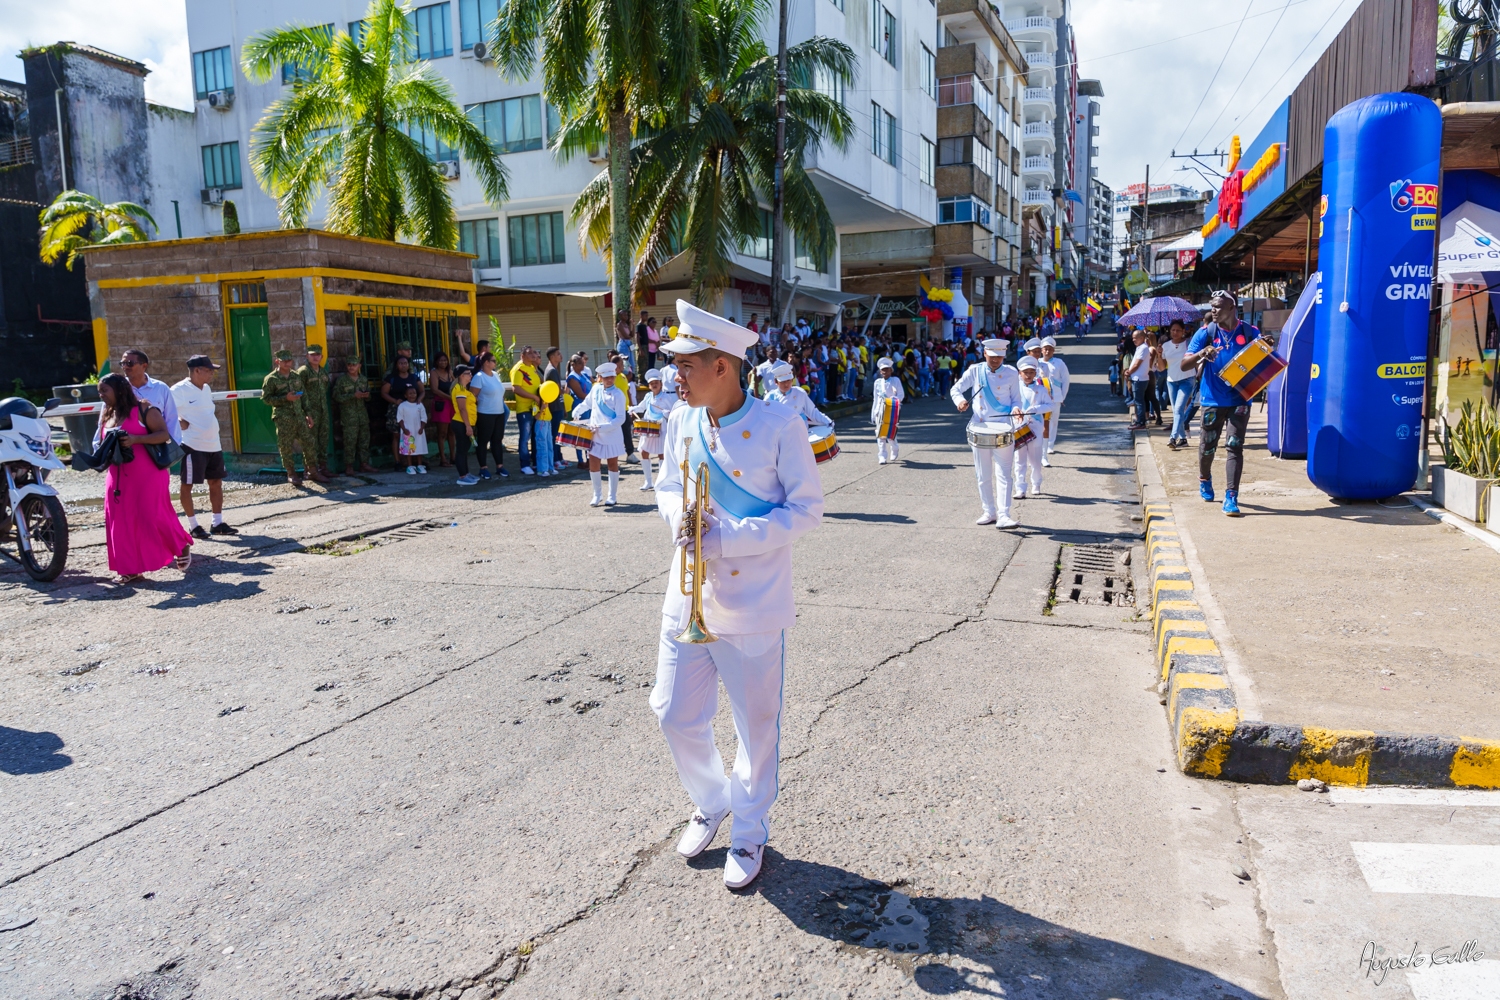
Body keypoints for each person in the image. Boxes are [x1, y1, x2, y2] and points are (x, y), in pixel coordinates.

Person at [651, 300, 824, 890]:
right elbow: (667, 483)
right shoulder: (681, 420)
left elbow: (806, 511)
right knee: (672, 711)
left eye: (685, 364)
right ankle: (712, 799)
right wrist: (680, 514)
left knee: (756, 724)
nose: (674, 375)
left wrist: (728, 537)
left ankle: (749, 831)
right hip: (687, 591)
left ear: (722, 365)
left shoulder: (781, 426)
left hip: (753, 601)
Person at [96, 373, 193, 584]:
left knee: (152, 514)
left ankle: (180, 544)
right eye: (99, 391)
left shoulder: (144, 409)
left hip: (147, 473)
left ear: (119, 390)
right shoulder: (108, 413)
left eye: (104, 390)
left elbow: (163, 434)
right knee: (120, 520)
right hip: (118, 475)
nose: (101, 395)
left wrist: (136, 439)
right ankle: (130, 569)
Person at [1184, 290, 1266, 517]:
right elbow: (1184, 365)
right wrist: (1202, 352)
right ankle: (1204, 478)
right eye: (1212, 306)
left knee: (1234, 446)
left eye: (1218, 306)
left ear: (1232, 307)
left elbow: (1264, 363)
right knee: (1207, 446)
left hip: (1240, 399)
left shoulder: (1251, 332)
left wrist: (1266, 348)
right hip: (1212, 400)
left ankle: (1231, 496)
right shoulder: (1206, 333)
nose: (1214, 310)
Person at [951, 337, 1022, 528]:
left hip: (1003, 427)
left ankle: (1004, 514)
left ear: (1004, 355)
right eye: (992, 357)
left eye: (999, 357)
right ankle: (988, 511)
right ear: (984, 354)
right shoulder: (975, 370)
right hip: (980, 427)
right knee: (983, 474)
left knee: (1004, 473)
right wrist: (960, 402)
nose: (996, 360)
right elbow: (956, 389)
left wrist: (1016, 410)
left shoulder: (1012, 373)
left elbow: (1016, 399)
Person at [170, 355, 236, 540]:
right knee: (188, 485)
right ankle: (193, 525)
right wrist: (178, 421)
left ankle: (217, 523)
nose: (211, 374)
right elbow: (162, 410)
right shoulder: (179, 390)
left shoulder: (206, 389)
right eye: (208, 370)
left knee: (216, 482)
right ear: (197, 370)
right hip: (193, 445)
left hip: (213, 444)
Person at [262, 350, 330, 485]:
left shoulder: (296, 376)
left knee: (309, 442)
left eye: (289, 360)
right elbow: (266, 399)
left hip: (299, 416)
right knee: (286, 446)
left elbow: (303, 396)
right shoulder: (271, 379)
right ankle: (291, 473)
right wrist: (285, 398)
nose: (287, 363)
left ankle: (312, 471)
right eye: (284, 361)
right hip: (283, 418)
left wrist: (308, 414)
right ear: (277, 361)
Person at [573, 360, 627, 505]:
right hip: (595, 434)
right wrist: (578, 410)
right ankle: (597, 495)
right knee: (594, 463)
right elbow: (587, 403)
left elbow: (621, 418)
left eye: (612, 377)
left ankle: (612, 496)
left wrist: (603, 427)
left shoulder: (618, 394)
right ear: (600, 378)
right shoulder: (596, 389)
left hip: (611, 434)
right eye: (606, 377)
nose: (609, 380)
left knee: (612, 464)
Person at [100, 349, 180, 448]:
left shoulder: (160, 388)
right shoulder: (118, 389)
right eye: (122, 363)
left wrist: (173, 449)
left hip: (158, 450)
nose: (125, 367)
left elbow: (171, 419)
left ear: (144, 365)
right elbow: (104, 420)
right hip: (125, 450)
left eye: (129, 363)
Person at [629, 368, 678, 491]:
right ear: (649, 386)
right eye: (651, 383)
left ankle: (661, 481)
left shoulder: (667, 397)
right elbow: (641, 407)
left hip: (661, 429)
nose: (654, 385)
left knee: (662, 454)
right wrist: (633, 409)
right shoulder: (648, 396)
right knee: (644, 452)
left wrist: (667, 414)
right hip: (648, 428)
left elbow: (674, 412)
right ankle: (648, 481)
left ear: (661, 384)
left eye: (656, 382)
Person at [1012, 357, 1053, 499]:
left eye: (1031, 372)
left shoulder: (1041, 389)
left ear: (1035, 373)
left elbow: (1050, 405)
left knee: (1035, 458)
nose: (1028, 375)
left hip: (1035, 426)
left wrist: (1036, 409)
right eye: (1025, 372)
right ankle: (1020, 487)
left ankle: (1036, 483)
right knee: (1019, 458)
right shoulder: (1014, 388)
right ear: (1019, 373)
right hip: (1019, 427)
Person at [332, 357, 377, 474]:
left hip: (362, 416)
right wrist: (353, 396)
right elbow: (336, 397)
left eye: (354, 364)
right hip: (349, 417)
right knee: (349, 442)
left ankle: (364, 464)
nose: (351, 367)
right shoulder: (342, 380)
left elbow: (369, 398)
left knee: (364, 441)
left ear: (359, 366)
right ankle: (349, 466)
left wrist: (366, 396)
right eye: (349, 365)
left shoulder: (363, 379)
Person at [471, 351, 510, 480]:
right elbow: (473, 397)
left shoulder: (496, 374)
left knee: (497, 441)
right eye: (493, 360)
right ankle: (483, 468)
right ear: (486, 362)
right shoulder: (479, 377)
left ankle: (500, 467)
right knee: (483, 441)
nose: (495, 363)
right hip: (485, 414)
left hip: (499, 412)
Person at [295, 344, 333, 479]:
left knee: (323, 440)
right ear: (307, 356)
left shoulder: (323, 372)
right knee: (310, 441)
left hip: (323, 411)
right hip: (310, 411)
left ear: (322, 357)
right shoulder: (303, 372)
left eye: (318, 355)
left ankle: (323, 468)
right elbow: (299, 393)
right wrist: (305, 412)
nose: (315, 357)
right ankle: (310, 470)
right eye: (312, 354)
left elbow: (325, 388)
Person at [381, 353, 424, 462]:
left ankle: (413, 460)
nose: (403, 365)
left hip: (413, 411)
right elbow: (384, 393)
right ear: (396, 366)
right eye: (400, 363)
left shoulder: (414, 377)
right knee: (397, 436)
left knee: (412, 434)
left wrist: (419, 398)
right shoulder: (392, 378)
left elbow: (422, 391)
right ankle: (398, 462)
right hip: (396, 409)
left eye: (405, 363)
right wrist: (395, 401)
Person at [1160, 320, 1194, 449]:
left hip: (1187, 379)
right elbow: (1161, 367)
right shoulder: (1165, 345)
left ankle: (1173, 438)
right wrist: (1159, 354)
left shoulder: (1189, 344)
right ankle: (1183, 439)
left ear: (1183, 331)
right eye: (1173, 330)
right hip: (1171, 380)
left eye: (1178, 330)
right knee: (1176, 411)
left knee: (1179, 408)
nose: (1175, 332)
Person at [766, 362, 832, 429]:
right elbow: (766, 418)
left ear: (792, 379)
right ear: (776, 382)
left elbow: (812, 411)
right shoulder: (770, 397)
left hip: (800, 431)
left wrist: (827, 421)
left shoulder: (799, 392)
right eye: (782, 382)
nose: (786, 384)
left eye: (788, 380)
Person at [510, 345, 544, 475]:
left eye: (534, 353)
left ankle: (535, 462)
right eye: (530, 354)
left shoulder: (531, 368)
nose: (533, 355)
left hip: (535, 408)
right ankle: (524, 464)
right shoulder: (518, 369)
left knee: (535, 436)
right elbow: (516, 388)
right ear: (522, 355)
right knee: (525, 437)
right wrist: (533, 396)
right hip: (524, 408)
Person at [1039, 336, 1070, 461]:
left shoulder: (1059, 363)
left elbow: (1066, 380)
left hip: (1055, 397)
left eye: (1050, 349)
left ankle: (1050, 445)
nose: (1047, 351)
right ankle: (1040, 445)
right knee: (1040, 422)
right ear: (1041, 350)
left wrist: (1062, 396)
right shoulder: (1037, 362)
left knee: (1053, 422)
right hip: (1040, 398)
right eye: (1045, 349)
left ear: (1053, 350)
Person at [871, 357, 904, 465]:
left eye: (887, 369)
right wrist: (874, 412)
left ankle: (894, 448)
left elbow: (900, 394)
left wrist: (894, 401)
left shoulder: (896, 380)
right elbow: (875, 398)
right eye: (883, 370)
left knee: (891, 432)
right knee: (880, 433)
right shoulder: (877, 382)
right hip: (880, 410)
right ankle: (882, 455)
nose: (885, 372)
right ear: (880, 371)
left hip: (892, 410)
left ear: (891, 370)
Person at [451, 364, 479, 485]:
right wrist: (468, 426)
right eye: (468, 373)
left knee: (464, 450)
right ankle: (462, 476)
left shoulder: (463, 389)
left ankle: (466, 473)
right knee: (461, 450)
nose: (471, 375)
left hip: (465, 423)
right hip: (461, 423)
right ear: (462, 375)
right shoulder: (460, 389)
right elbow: (462, 409)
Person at [564, 354, 593, 467]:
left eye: (583, 362)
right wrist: (593, 399)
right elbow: (580, 394)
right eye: (580, 363)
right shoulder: (572, 378)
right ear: (573, 365)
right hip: (580, 406)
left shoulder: (585, 374)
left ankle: (589, 458)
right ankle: (581, 460)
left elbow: (594, 383)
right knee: (580, 433)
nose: (583, 365)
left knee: (589, 432)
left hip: (589, 405)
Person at [428, 351, 456, 467]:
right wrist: (450, 397)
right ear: (436, 362)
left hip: (452, 404)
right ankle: (443, 459)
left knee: (452, 431)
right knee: (442, 432)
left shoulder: (450, 372)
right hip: (441, 404)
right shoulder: (434, 373)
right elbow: (434, 389)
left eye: (445, 360)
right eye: (440, 360)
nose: (443, 362)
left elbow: (455, 385)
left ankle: (453, 457)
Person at [395, 383, 428, 474]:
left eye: (414, 393)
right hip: (408, 431)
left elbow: (424, 417)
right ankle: (410, 466)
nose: (412, 395)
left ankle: (420, 465)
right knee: (409, 448)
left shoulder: (419, 405)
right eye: (410, 393)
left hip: (418, 430)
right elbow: (400, 418)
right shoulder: (402, 406)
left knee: (419, 447)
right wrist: (404, 429)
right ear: (405, 395)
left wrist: (422, 427)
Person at [1125, 330, 1152, 429]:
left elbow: (1137, 364)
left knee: (1139, 401)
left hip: (1139, 379)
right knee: (1138, 401)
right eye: (1133, 338)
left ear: (1141, 338)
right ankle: (1138, 421)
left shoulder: (1143, 348)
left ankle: (1141, 422)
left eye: (1135, 338)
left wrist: (1129, 372)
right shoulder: (1140, 347)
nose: (1133, 340)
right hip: (1137, 378)